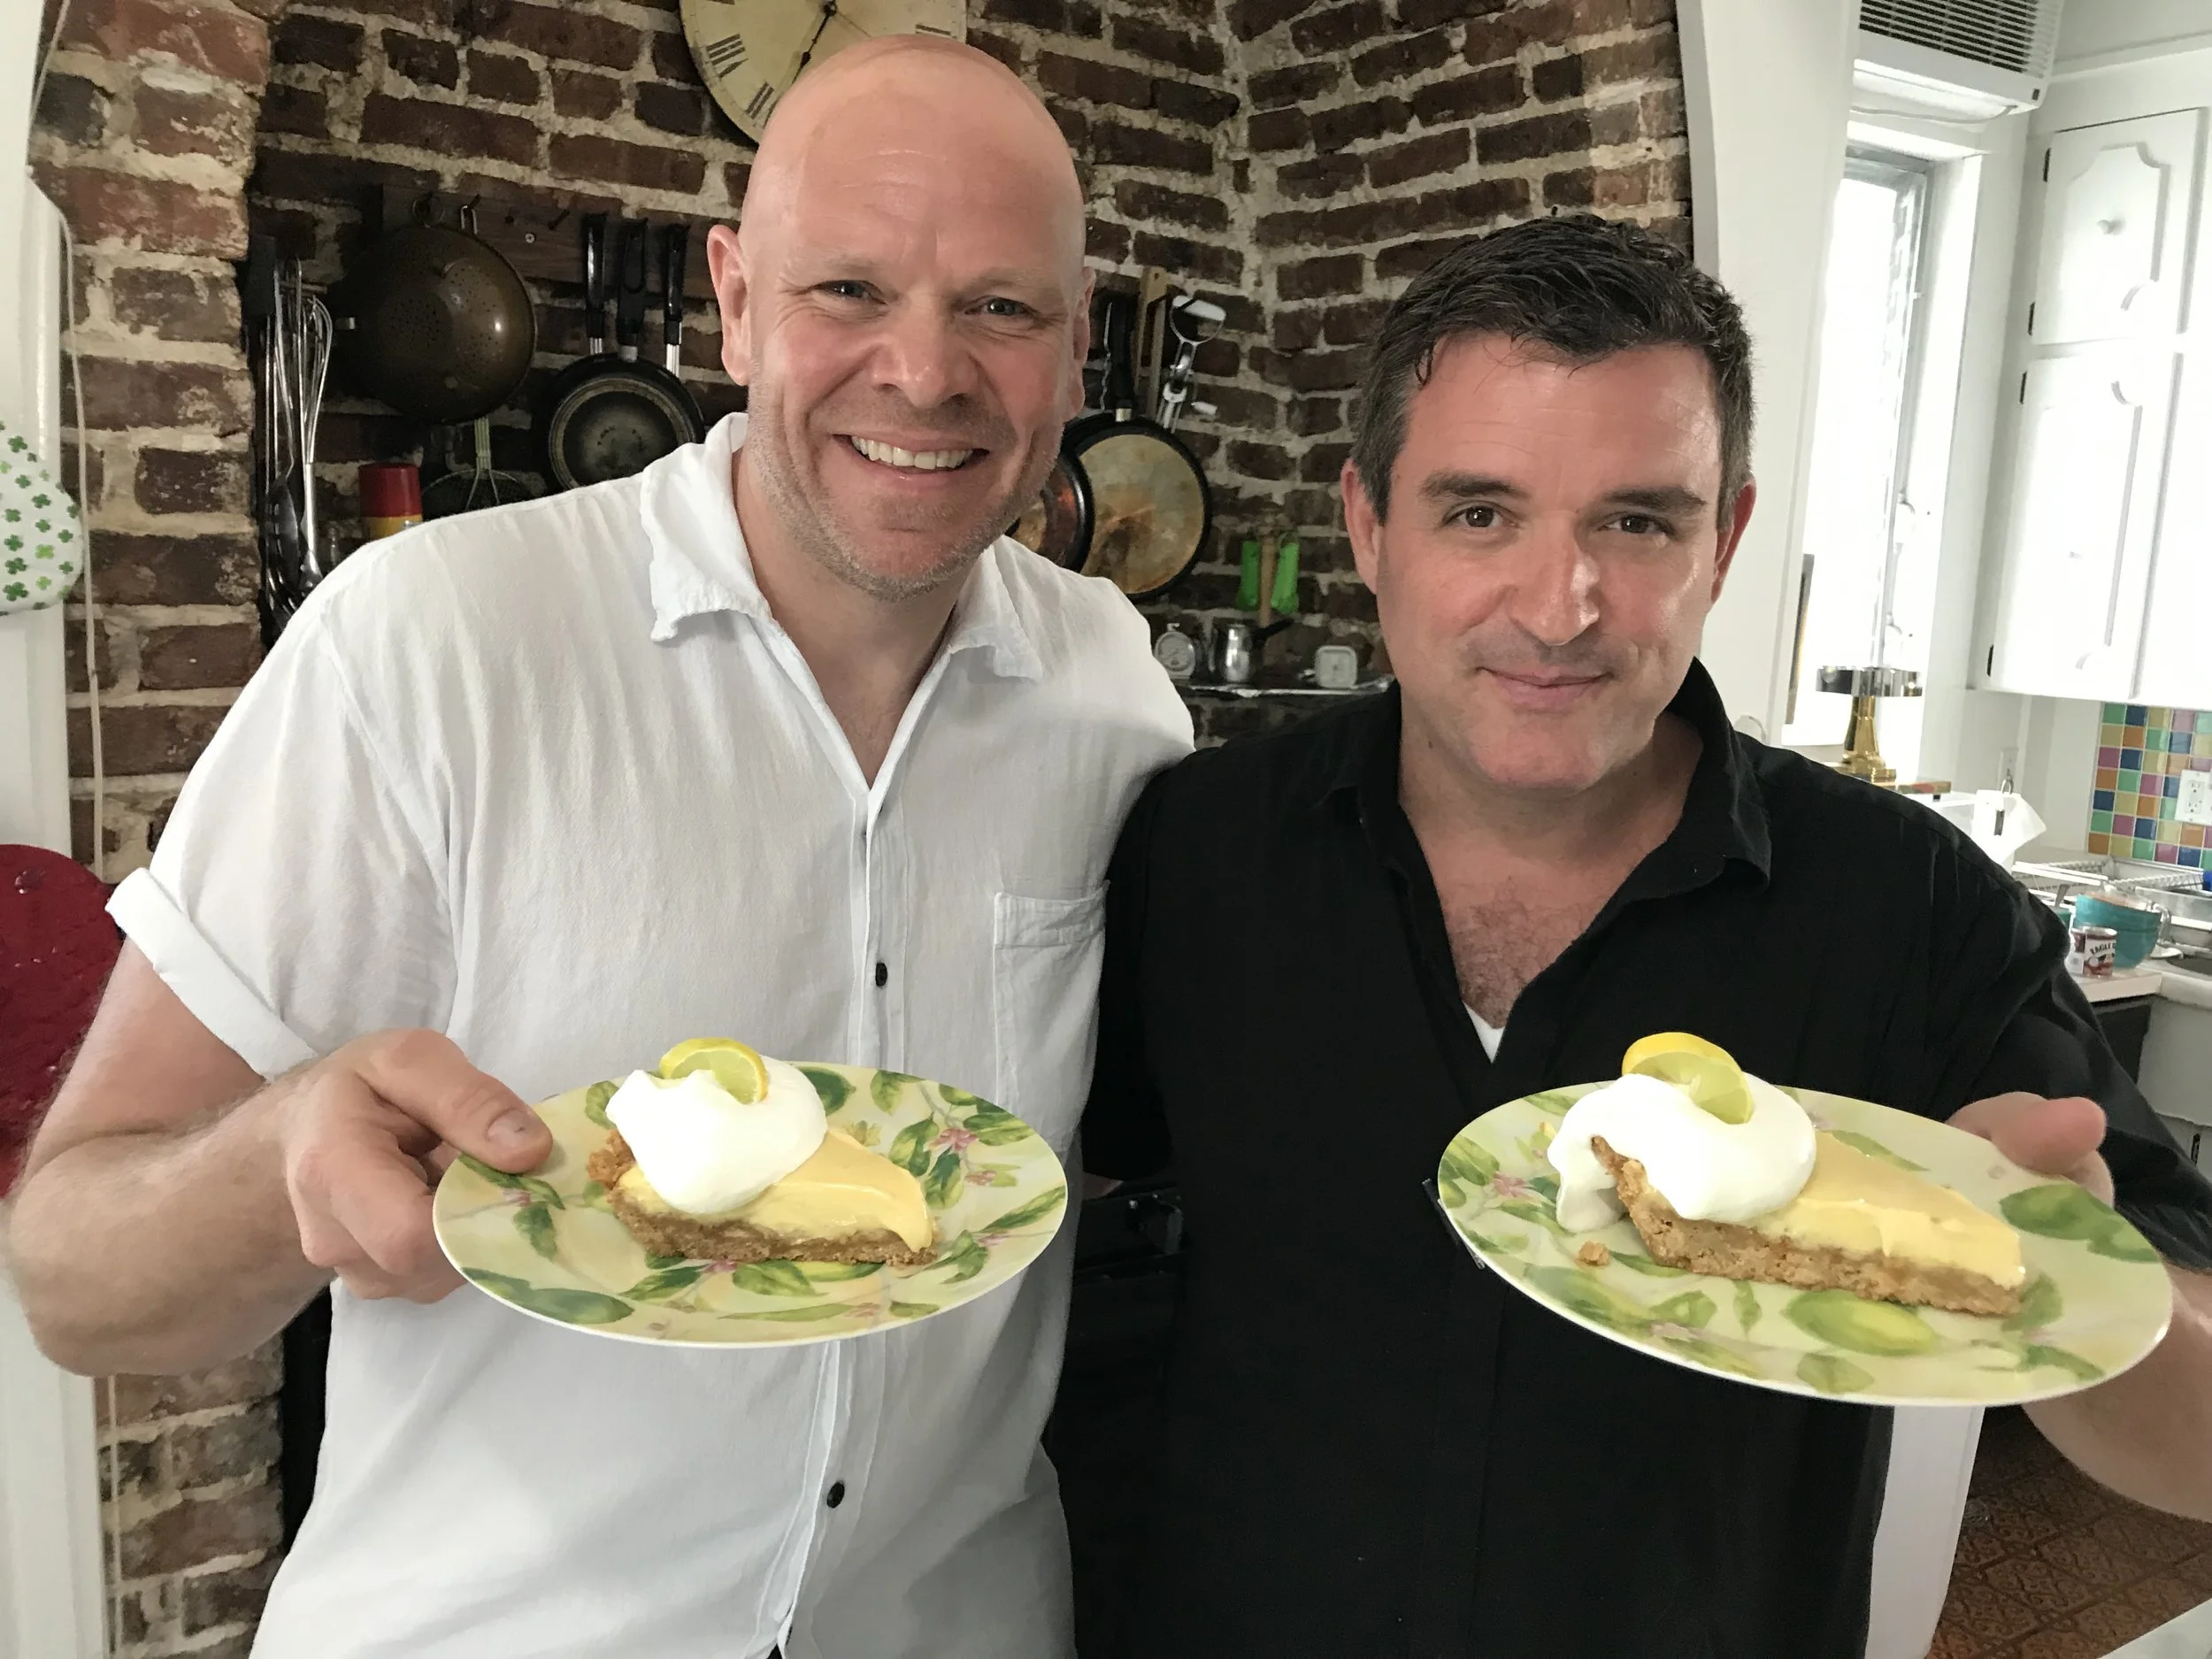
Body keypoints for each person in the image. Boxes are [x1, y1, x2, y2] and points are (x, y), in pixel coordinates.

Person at [10, 39, 1189, 1659]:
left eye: (1001, 305)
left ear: (1072, 340)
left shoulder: (1114, 690)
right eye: (849, 287)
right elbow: (73, 1273)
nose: (925, 373)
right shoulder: (425, 644)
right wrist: (276, 1150)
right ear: (733, 298)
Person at [1080, 213, 2212, 1658]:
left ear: (1725, 537)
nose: (1561, 607)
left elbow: (2195, 1439)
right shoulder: (1201, 847)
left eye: (1637, 520)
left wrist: (2066, 1274)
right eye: (1480, 512)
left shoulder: (1912, 908)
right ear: (1368, 527)